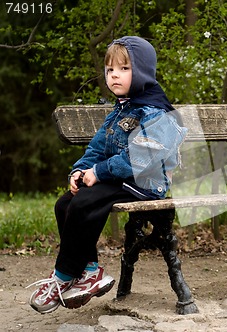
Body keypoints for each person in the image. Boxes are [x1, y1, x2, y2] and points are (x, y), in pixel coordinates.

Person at [27, 36, 187, 314]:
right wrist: (80, 170)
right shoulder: (121, 109)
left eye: (124, 69)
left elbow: (143, 159)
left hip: (147, 183)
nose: (115, 75)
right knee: (65, 203)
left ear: (142, 72)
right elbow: (98, 147)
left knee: (86, 201)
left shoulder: (155, 111)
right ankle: (89, 269)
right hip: (122, 179)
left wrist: (99, 172)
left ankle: (63, 276)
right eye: (110, 69)